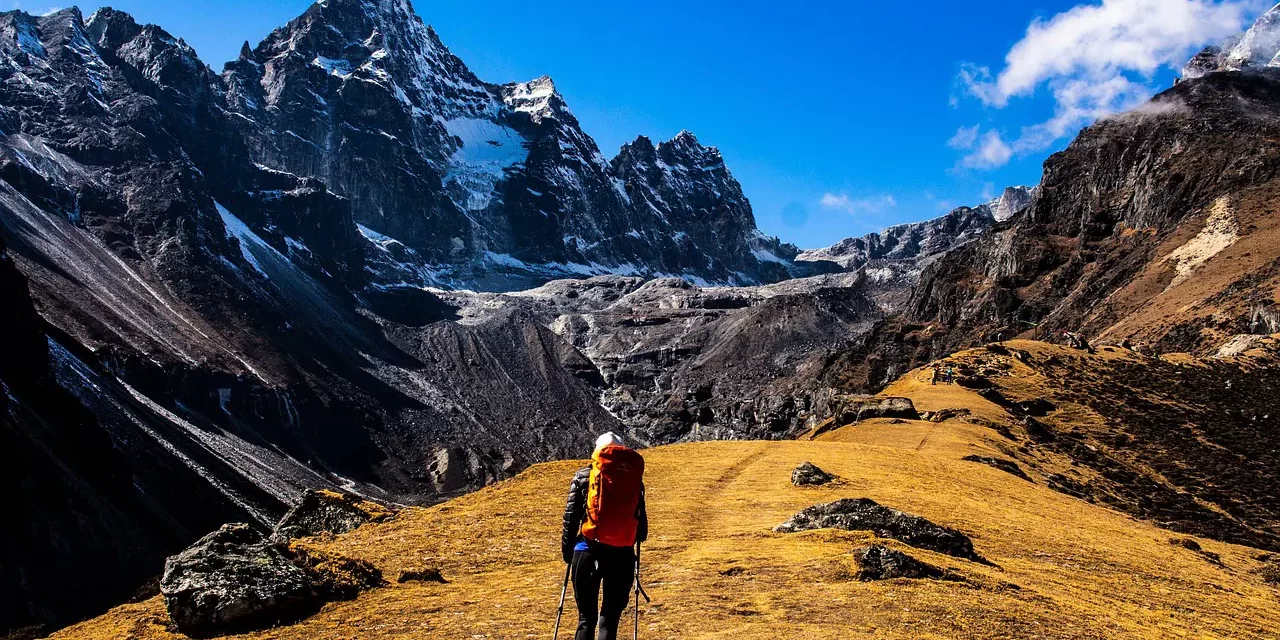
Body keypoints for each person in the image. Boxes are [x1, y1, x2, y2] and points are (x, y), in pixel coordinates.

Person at [562, 432, 648, 640]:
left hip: (587, 551)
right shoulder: (635, 481)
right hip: (622, 556)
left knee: (586, 619)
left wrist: (568, 554)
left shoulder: (584, 477)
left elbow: (570, 519)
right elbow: (642, 532)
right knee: (609, 621)